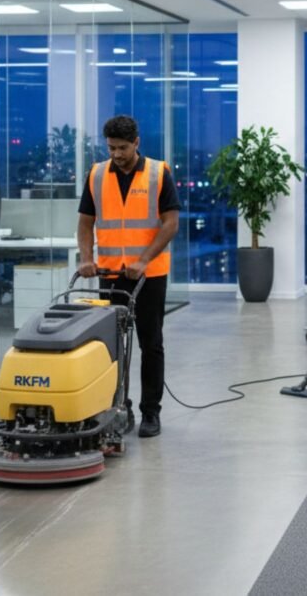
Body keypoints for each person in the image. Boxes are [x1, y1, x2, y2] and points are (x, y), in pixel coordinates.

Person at [77, 114, 180, 438]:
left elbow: (171, 223)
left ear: (136, 142)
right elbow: (85, 223)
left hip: (149, 274)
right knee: (112, 346)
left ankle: (151, 412)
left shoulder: (158, 173)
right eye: (111, 148)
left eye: (122, 148)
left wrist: (144, 260)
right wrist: (86, 258)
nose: (116, 154)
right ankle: (120, 407)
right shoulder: (96, 174)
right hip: (110, 273)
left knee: (151, 343)